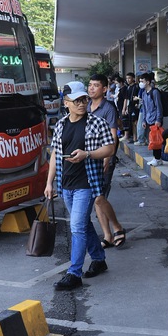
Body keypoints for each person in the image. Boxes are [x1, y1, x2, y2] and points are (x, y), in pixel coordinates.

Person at [44, 81, 117, 290]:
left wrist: (88, 154)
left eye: (84, 99)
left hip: (87, 182)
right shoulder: (60, 125)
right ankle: (99, 259)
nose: (82, 103)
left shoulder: (96, 123)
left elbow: (110, 149)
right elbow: (55, 155)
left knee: (76, 226)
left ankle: (74, 273)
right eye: (77, 100)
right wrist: (49, 183)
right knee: (83, 224)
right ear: (66, 103)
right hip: (65, 184)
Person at [87, 74, 127, 249]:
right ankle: (108, 235)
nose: (91, 88)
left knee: (98, 197)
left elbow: (113, 135)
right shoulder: (87, 106)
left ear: (104, 89)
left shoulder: (108, 108)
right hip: (90, 158)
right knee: (97, 197)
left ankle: (117, 227)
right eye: (90, 85)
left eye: (96, 85)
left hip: (104, 157)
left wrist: (107, 158)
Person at [139, 72, 164, 166]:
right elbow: (144, 108)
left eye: (142, 81)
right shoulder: (144, 93)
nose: (140, 83)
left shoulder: (155, 92)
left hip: (155, 119)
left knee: (156, 139)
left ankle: (157, 158)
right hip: (148, 119)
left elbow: (159, 107)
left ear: (148, 82)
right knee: (152, 139)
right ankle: (157, 158)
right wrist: (144, 120)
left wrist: (158, 119)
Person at [122, 72, 139, 142]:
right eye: (127, 78)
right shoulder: (128, 87)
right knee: (132, 123)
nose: (128, 80)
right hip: (130, 107)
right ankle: (134, 138)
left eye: (129, 78)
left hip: (136, 107)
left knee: (136, 122)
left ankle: (137, 138)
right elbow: (126, 99)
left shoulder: (136, 87)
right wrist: (124, 108)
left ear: (133, 78)